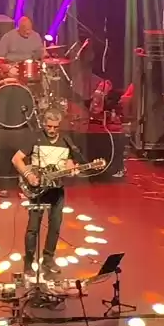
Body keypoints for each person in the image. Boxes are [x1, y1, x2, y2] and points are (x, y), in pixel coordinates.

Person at [11, 108, 104, 279]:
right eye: (48, 126)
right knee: (33, 228)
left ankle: (48, 258)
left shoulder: (66, 141)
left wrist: (73, 170)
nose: (52, 130)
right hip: (38, 190)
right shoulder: (35, 138)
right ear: (43, 124)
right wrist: (28, 175)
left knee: (54, 227)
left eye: (55, 127)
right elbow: (16, 159)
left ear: (60, 126)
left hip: (57, 190)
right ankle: (28, 262)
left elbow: (69, 164)